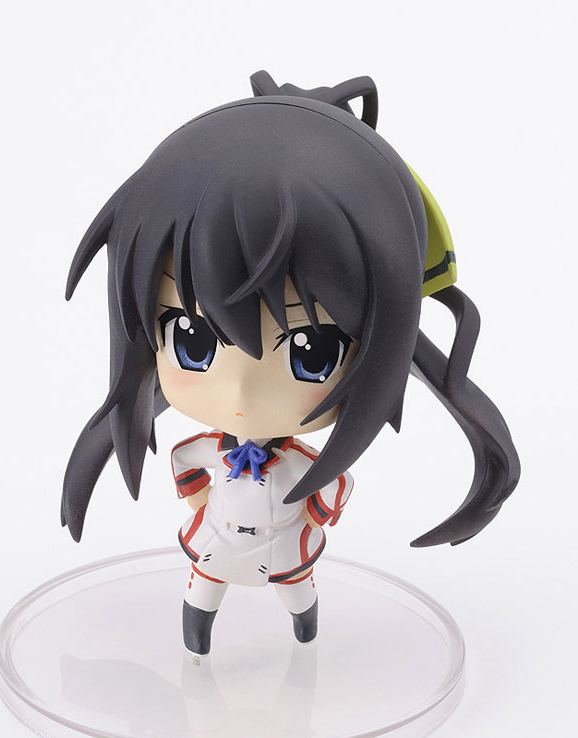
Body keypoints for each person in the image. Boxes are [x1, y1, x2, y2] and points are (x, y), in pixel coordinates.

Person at [62, 70, 520, 657]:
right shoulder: (211, 450)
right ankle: (198, 647)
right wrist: (206, 504)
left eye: (312, 352)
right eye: (191, 339)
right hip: (216, 548)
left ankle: (305, 638)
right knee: (202, 594)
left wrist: (306, 513)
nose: (241, 393)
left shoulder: (303, 464)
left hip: (286, 554)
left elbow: (330, 495)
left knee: (299, 599)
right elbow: (187, 471)